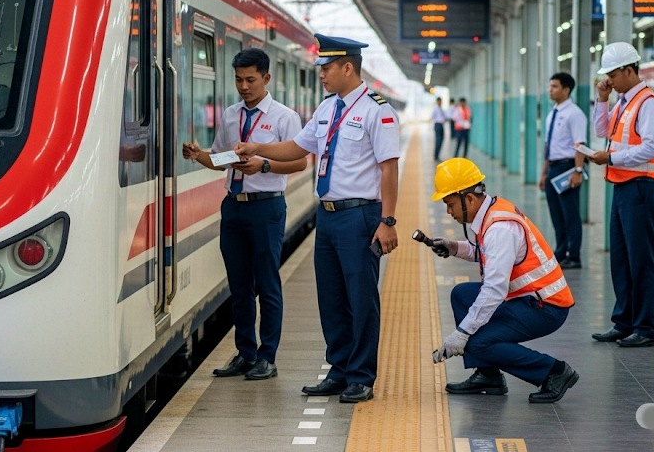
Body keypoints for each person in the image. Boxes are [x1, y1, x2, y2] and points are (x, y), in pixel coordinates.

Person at [235, 34, 399, 403]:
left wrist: (387, 221)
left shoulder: (377, 110)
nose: (321, 75)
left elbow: (389, 169)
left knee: (361, 299)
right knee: (331, 298)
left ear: (347, 68)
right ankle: (338, 370)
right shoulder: (327, 109)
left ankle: (361, 376)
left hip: (360, 215)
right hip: (327, 218)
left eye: (326, 68)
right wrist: (258, 147)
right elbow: (297, 147)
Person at [182, 47, 306, 381]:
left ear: (266, 78)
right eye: (238, 80)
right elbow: (221, 159)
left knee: (267, 284)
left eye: (250, 79)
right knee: (238, 286)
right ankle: (245, 353)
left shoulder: (284, 117)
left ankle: (267, 357)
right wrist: (198, 155)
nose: (244, 86)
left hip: (266, 207)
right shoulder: (230, 115)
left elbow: (300, 162)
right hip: (233, 207)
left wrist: (264, 165)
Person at [428, 158, 579, 404]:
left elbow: (494, 290)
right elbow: (487, 252)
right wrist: (454, 247)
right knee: (461, 295)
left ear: (469, 199)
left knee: (477, 342)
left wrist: (462, 333)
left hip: (546, 306)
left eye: (450, 204)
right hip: (530, 298)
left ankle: (554, 371)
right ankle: (488, 375)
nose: (448, 212)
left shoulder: (500, 228)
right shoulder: (492, 211)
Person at [588, 42, 654, 348]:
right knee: (621, 259)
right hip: (622, 186)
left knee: (641, 260)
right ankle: (624, 322)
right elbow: (601, 131)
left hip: (642, 188)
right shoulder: (623, 102)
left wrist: (611, 158)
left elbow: (650, 147)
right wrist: (602, 99)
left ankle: (646, 328)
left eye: (612, 75)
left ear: (629, 70)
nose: (609, 80)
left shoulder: (649, 103)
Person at [539, 72, 588, 269]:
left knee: (570, 214)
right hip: (553, 167)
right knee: (557, 215)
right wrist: (544, 173)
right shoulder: (552, 113)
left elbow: (580, 145)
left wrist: (578, 170)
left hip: (568, 167)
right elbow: (548, 146)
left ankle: (574, 256)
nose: (550, 90)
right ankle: (560, 252)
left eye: (555, 86)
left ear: (566, 90)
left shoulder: (575, 114)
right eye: (550, 86)